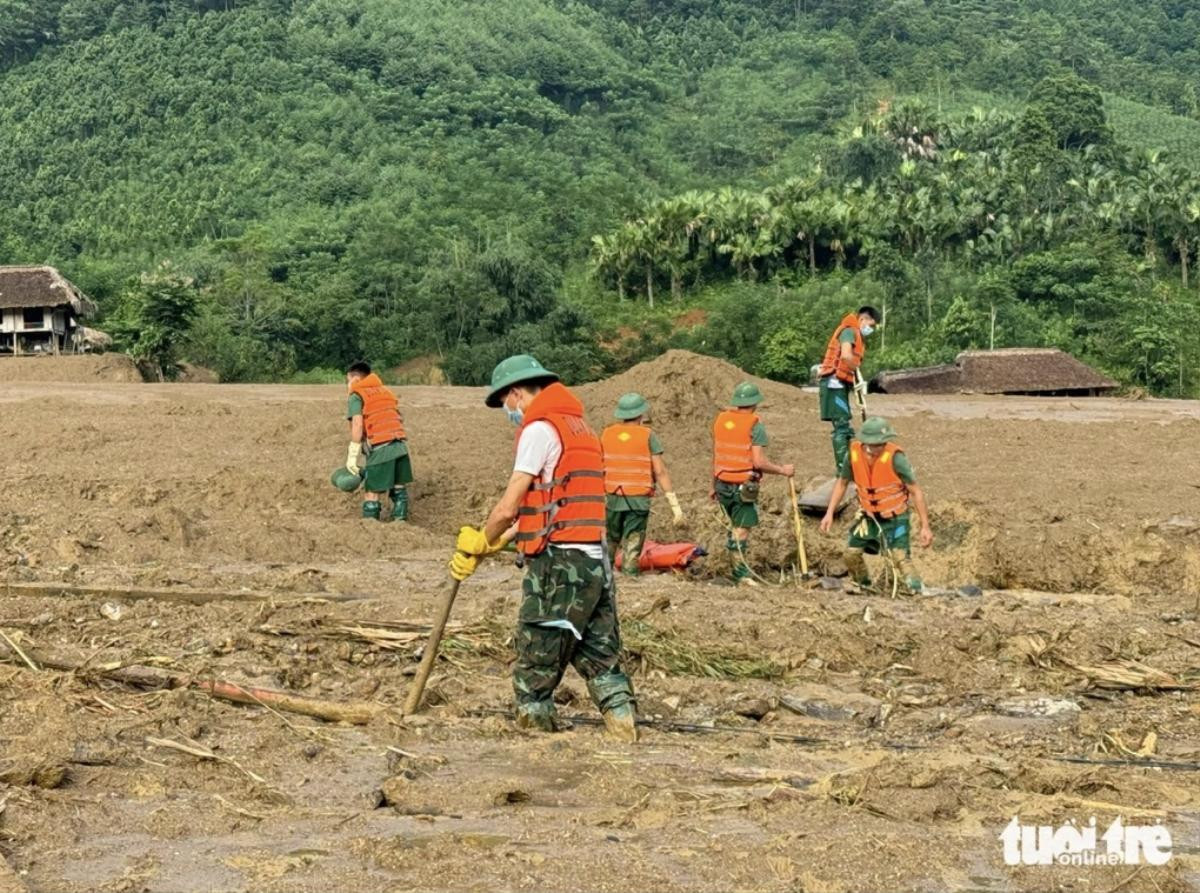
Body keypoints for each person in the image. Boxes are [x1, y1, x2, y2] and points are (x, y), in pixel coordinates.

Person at [448, 355, 637, 741]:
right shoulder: (580, 428)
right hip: (593, 564)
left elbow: (510, 503)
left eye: (505, 404)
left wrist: (481, 539)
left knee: (536, 662)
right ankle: (624, 732)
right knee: (600, 656)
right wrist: (497, 543)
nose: (508, 412)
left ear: (517, 393)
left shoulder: (539, 430)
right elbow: (552, 505)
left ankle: (536, 754)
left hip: (559, 565)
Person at [818, 416, 933, 593]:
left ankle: (917, 590)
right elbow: (842, 483)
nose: (875, 449)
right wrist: (829, 513)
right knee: (851, 553)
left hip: (896, 516)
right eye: (872, 444)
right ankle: (864, 586)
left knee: (900, 558)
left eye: (880, 444)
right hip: (869, 516)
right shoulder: (854, 453)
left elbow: (916, 491)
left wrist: (925, 526)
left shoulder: (896, 458)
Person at [712, 381, 794, 585]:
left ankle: (735, 569)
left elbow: (717, 454)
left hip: (721, 483)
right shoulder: (755, 426)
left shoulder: (721, 421)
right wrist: (782, 470)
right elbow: (758, 461)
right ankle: (740, 574)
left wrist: (711, 485)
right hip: (742, 486)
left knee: (734, 526)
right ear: (755, 403)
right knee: (741, 529)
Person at [601, 392, 685, 577]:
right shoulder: (647, 435)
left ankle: (604, 573)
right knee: (633, 537)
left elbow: (601, 465)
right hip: (638, 498)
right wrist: (674, 505)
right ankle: (629, 573)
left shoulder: (607, 434)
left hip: (613, 496)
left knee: (611, 536)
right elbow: (660, 471)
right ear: (640, 414)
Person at [345, 362, 413, 521]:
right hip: (400, 446)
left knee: (371, 492)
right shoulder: (386, 391)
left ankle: (370, 526)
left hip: (381, 448)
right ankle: (400, 524)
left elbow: (357, 424)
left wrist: (352, 456)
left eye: (347, 380)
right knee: (399, 488)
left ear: (355, 379)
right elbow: (398, 416)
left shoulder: (357, 395)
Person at [817, 306, 879, 474]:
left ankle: (848, 468)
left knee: (845, 427)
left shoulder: (854, 333)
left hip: (839, 383)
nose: (870, 330)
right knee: (842, 427)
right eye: (871, 325)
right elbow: (845, 355)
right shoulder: (849, 331)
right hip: (833, 383)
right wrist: (857, 372)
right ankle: (843, 474)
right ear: (862, 319)